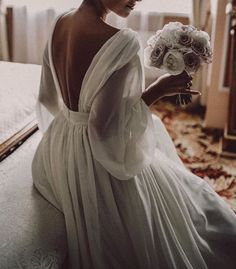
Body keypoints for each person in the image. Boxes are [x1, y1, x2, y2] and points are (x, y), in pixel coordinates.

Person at [32, 0, 236, 268]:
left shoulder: (60, 22)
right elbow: (104, 131)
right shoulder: (123, 42)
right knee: (188, 208)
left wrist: (63, 146)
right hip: (97, 158)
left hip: (59, 146)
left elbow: (48, 100)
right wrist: (157, 90)